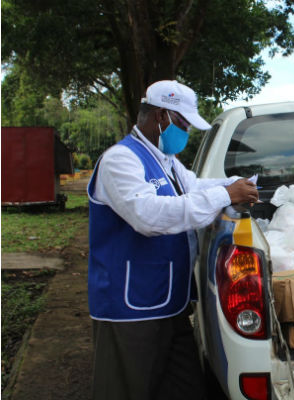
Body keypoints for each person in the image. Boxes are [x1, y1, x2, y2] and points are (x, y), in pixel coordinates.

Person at [87, 80, 258, 400]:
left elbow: (194, 188)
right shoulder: (120, 160)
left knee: (185, 387)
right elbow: (148, 216)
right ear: (161, 117)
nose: (187, 133)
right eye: (183, 124)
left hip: (171, 303)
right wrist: (225, 194)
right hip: (130, 308)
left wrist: (233, 183)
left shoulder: (166, 162)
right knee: (126, 389)